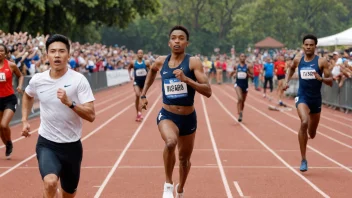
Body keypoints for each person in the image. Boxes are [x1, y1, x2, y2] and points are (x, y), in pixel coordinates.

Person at [139, 25, 212, 198]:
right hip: (167, 114)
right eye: (174, 38)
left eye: (181, 38)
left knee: (184, 160)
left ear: (187, 43)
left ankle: (180, 189)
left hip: (188, 118)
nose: (177, 41)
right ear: (169, 42)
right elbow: (152, 72)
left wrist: (186, 79)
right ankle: (168, 185)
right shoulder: (160, 61)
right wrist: (143, 94)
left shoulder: (193, 62)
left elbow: (208, 91)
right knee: (170, 142)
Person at [21, 34, 96, 198]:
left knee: (68, 194)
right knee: (50, 183)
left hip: (72, 146)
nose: (57, 55)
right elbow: (27, 95)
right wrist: (25, 120)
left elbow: (91, 115)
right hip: (47, 143)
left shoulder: (79, 80)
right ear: (46, 55)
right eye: (53, 51)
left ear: (68, 55)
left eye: (61, 51)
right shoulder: (38, 80)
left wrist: (70, 103)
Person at [283, 34, 332, 172]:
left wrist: (321, 79)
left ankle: (310, 129)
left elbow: (331, 82)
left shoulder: (321, 62)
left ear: (315, 46)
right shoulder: (298, 60)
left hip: (315, 99)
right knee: (304, 121)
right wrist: (287, 81)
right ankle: (303, 159)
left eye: (311, 45)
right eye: (306, 44)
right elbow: (291, 68)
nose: (308, 47)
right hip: (302, 97)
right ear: (303, 46)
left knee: (312, 133)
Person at [0, 44, 23, 159]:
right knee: (0, 128)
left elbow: (20, 76)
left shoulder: (11, 65)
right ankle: (7, 145)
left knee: (4, 124)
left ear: (5, 53)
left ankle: (9, 142)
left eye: (1, 51)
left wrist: (19, 86)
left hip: (9, 99)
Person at [127, 49, 151, 121]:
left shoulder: (146, 63)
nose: (140, 54)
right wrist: (130, 76)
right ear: (137, 54)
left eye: (141, 53)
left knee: (142, 97)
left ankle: (139, 112)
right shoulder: (133, 63)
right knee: (137, 95)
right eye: (139, 53)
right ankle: (139, 113)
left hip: (144, 83)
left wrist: (149, 76)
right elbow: (129, 68)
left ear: (143, 54)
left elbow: (151, 70)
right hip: (136, 82)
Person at [229, 53, 253, 122]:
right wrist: (234, 72)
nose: (242, 58)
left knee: (243, 101)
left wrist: (248, 74)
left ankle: (241, 111)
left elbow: (253, 76)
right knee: (240, 98)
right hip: (238, 84)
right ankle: (239, 113)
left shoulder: (248, 66)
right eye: (241, 56)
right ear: (239, 58)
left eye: (243, 56)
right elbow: (230, 75)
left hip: (245, 85)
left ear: (245, 58)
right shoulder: (236, 66)